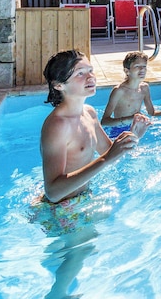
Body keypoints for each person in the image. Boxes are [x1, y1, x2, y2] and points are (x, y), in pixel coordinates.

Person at [40, 50, 150, 204]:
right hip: (59, 208)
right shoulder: (58, 125)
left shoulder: (89, 113)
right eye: (80, 73)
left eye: (90, 70)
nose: (90, 77)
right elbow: (53, 193)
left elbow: (110, 152)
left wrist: (133, 135)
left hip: (83, 197)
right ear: (59, 85)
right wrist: (105, 160)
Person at [100, 51, 161, 137]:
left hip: (138, 127)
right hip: (120, 130)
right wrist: (128, 119)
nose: (142, 69)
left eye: (144, 66)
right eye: (137, 66)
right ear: (127, 71)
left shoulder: (144, 88)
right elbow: (104, 121)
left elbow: (151, 113)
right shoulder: (119, 91)